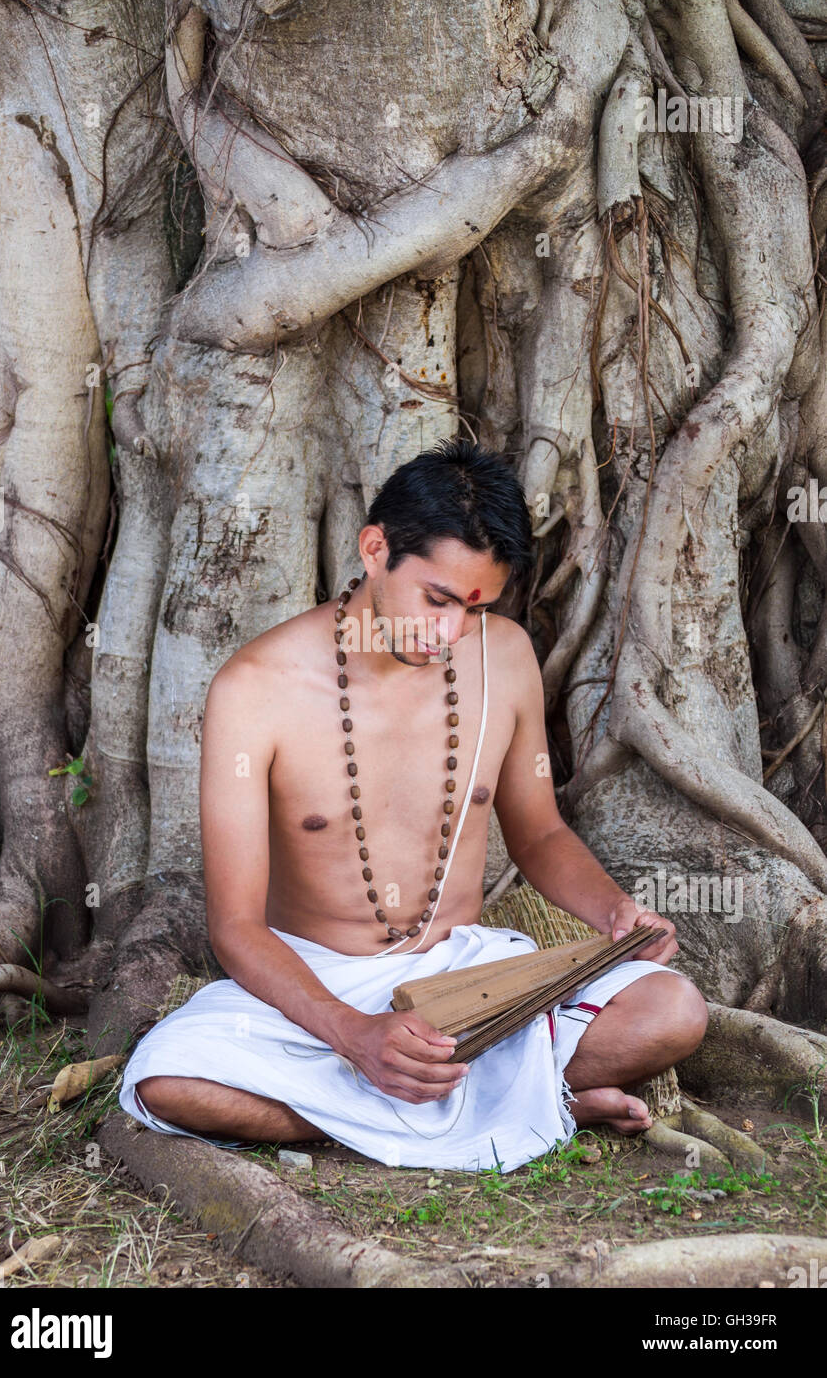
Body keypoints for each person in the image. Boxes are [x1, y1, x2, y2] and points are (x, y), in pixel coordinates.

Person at [118, 438, 708, 1172]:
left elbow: (541, 834)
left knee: (672, 1010)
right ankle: (520, 1103)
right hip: (314, 988)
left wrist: (616, 914)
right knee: (169, 1081)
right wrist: (356, 1035)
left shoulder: (506, 658)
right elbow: (235, 927)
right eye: (436, 599)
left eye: (476, 607)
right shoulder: (255, 689)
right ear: (375, 549)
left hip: (470, 983)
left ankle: (423, 1103)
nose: (451, 633)